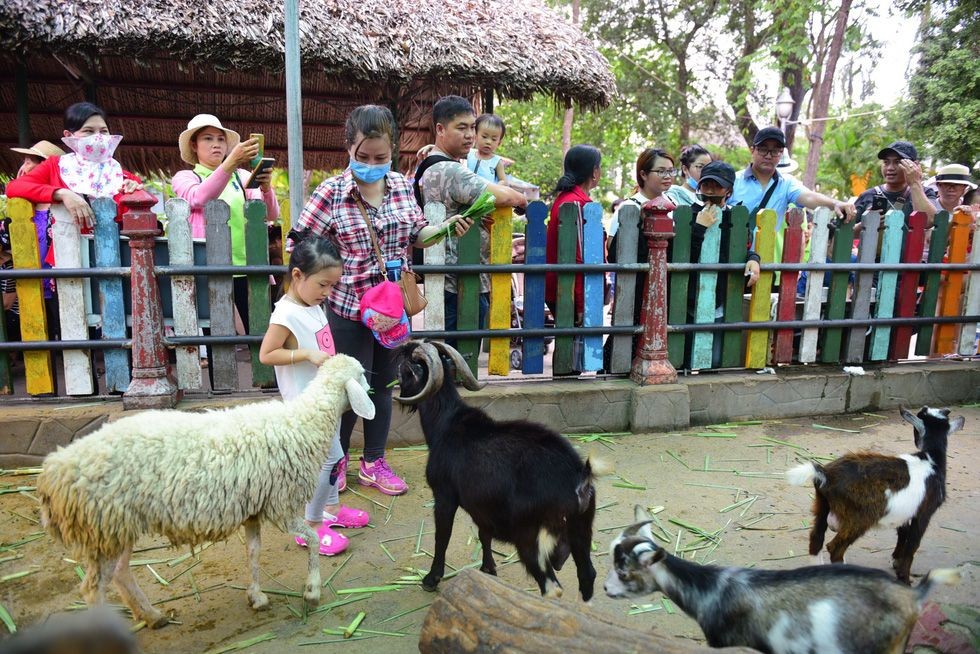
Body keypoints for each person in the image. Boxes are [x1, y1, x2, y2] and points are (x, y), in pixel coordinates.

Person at [293, 104, 476, 496]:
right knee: (345, 388)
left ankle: (374, 462)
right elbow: (301, 244)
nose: (372, 164)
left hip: (392, 311)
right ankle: (335, 462)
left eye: (381, 157)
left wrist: (444, 230)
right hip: (348, 309)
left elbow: (417, 234)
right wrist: (317, 281)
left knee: (383, 386)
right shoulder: (331, 192)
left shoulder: (400, 186)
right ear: (349, 147)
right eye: (363, 157)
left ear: (393, 150)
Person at [258, 234, 370, 557]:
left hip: (326, 402)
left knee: (335, 457)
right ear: (297, 276)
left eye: (332, 286)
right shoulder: (285, 315)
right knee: (330, 459)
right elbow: (267, 354)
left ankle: (330, 508)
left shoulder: (314, 305)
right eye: (323, 285)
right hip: (306, 406)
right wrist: (305, 355)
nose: (328, 293)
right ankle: (311, 523)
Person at [414, 96, 527, 342]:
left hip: (442, 274)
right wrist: (523, 199)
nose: (470, 135)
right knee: (460, 351)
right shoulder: (451, 170)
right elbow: (503, 196)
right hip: (459, 279)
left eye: (472, 128)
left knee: (446, 347)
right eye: (461, 128)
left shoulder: (427, 165)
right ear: (440, 130)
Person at [171, 114, 279, 333]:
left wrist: (267, 189)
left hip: (248, 265)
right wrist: (229, 164)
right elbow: (199, 198)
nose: (216, 145)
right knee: (215, 334)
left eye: (221, 139)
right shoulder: (185, 177)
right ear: (194, 145)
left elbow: (270, 214)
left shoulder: (242, 176)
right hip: (210, 267)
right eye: (208, 139)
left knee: (259, 331)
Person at [6, 102, 143, 233]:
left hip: (115, 253)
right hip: (65, 252)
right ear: (68, 135)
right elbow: (14, 187)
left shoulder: (126, 178)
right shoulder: (55, 166)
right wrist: (62, 193)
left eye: (103, 131)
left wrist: (134, 194)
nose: (98, 137)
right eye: (88, 131)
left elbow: (137, 223)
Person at [731, 127, 854, 265]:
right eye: (763, 149)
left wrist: (835, 203)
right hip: (730, 262)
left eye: (775, 151)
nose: (769, 155)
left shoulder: (787, 184)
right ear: (752, 150)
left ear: (781, 153)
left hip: (763, 264)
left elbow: (809, 197)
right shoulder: (733, 181)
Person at [688, 161, 761, 367]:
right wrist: (698, 228)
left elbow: (743, 249)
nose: (710, 190)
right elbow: (683, 256)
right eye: (706, 184)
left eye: (717, 186)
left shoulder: (736, 218)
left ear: (728, 190)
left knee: (716, 360)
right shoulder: (687, 215)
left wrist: (753, 259)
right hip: (689, 299)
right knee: (685, 358)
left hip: (721, 298)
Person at [545, 144, 602, 374]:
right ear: (594, 172)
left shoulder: (565, 198)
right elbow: (578, 258)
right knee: (570, 359)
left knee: (568, 348)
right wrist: (580, 302)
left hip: (559, 286)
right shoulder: (578, 204)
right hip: (568, 289)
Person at [854, 140, 938, 224]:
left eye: (897, 162)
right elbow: (847, 232)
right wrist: (865, 223)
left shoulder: (926, 193)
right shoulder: (867, 196)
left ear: (914, 165)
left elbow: (929, 221)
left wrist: (914, 183)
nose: (890, 168)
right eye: (886, 162)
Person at [467, 114, 509, 184]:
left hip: (485, 193)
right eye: (484, 137)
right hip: (465, 192)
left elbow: (503, 180)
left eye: (494, 139)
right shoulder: (468, 153)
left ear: (499, 143)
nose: (489, 142)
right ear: (475, 136)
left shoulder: (497, 161)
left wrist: (498, 186)